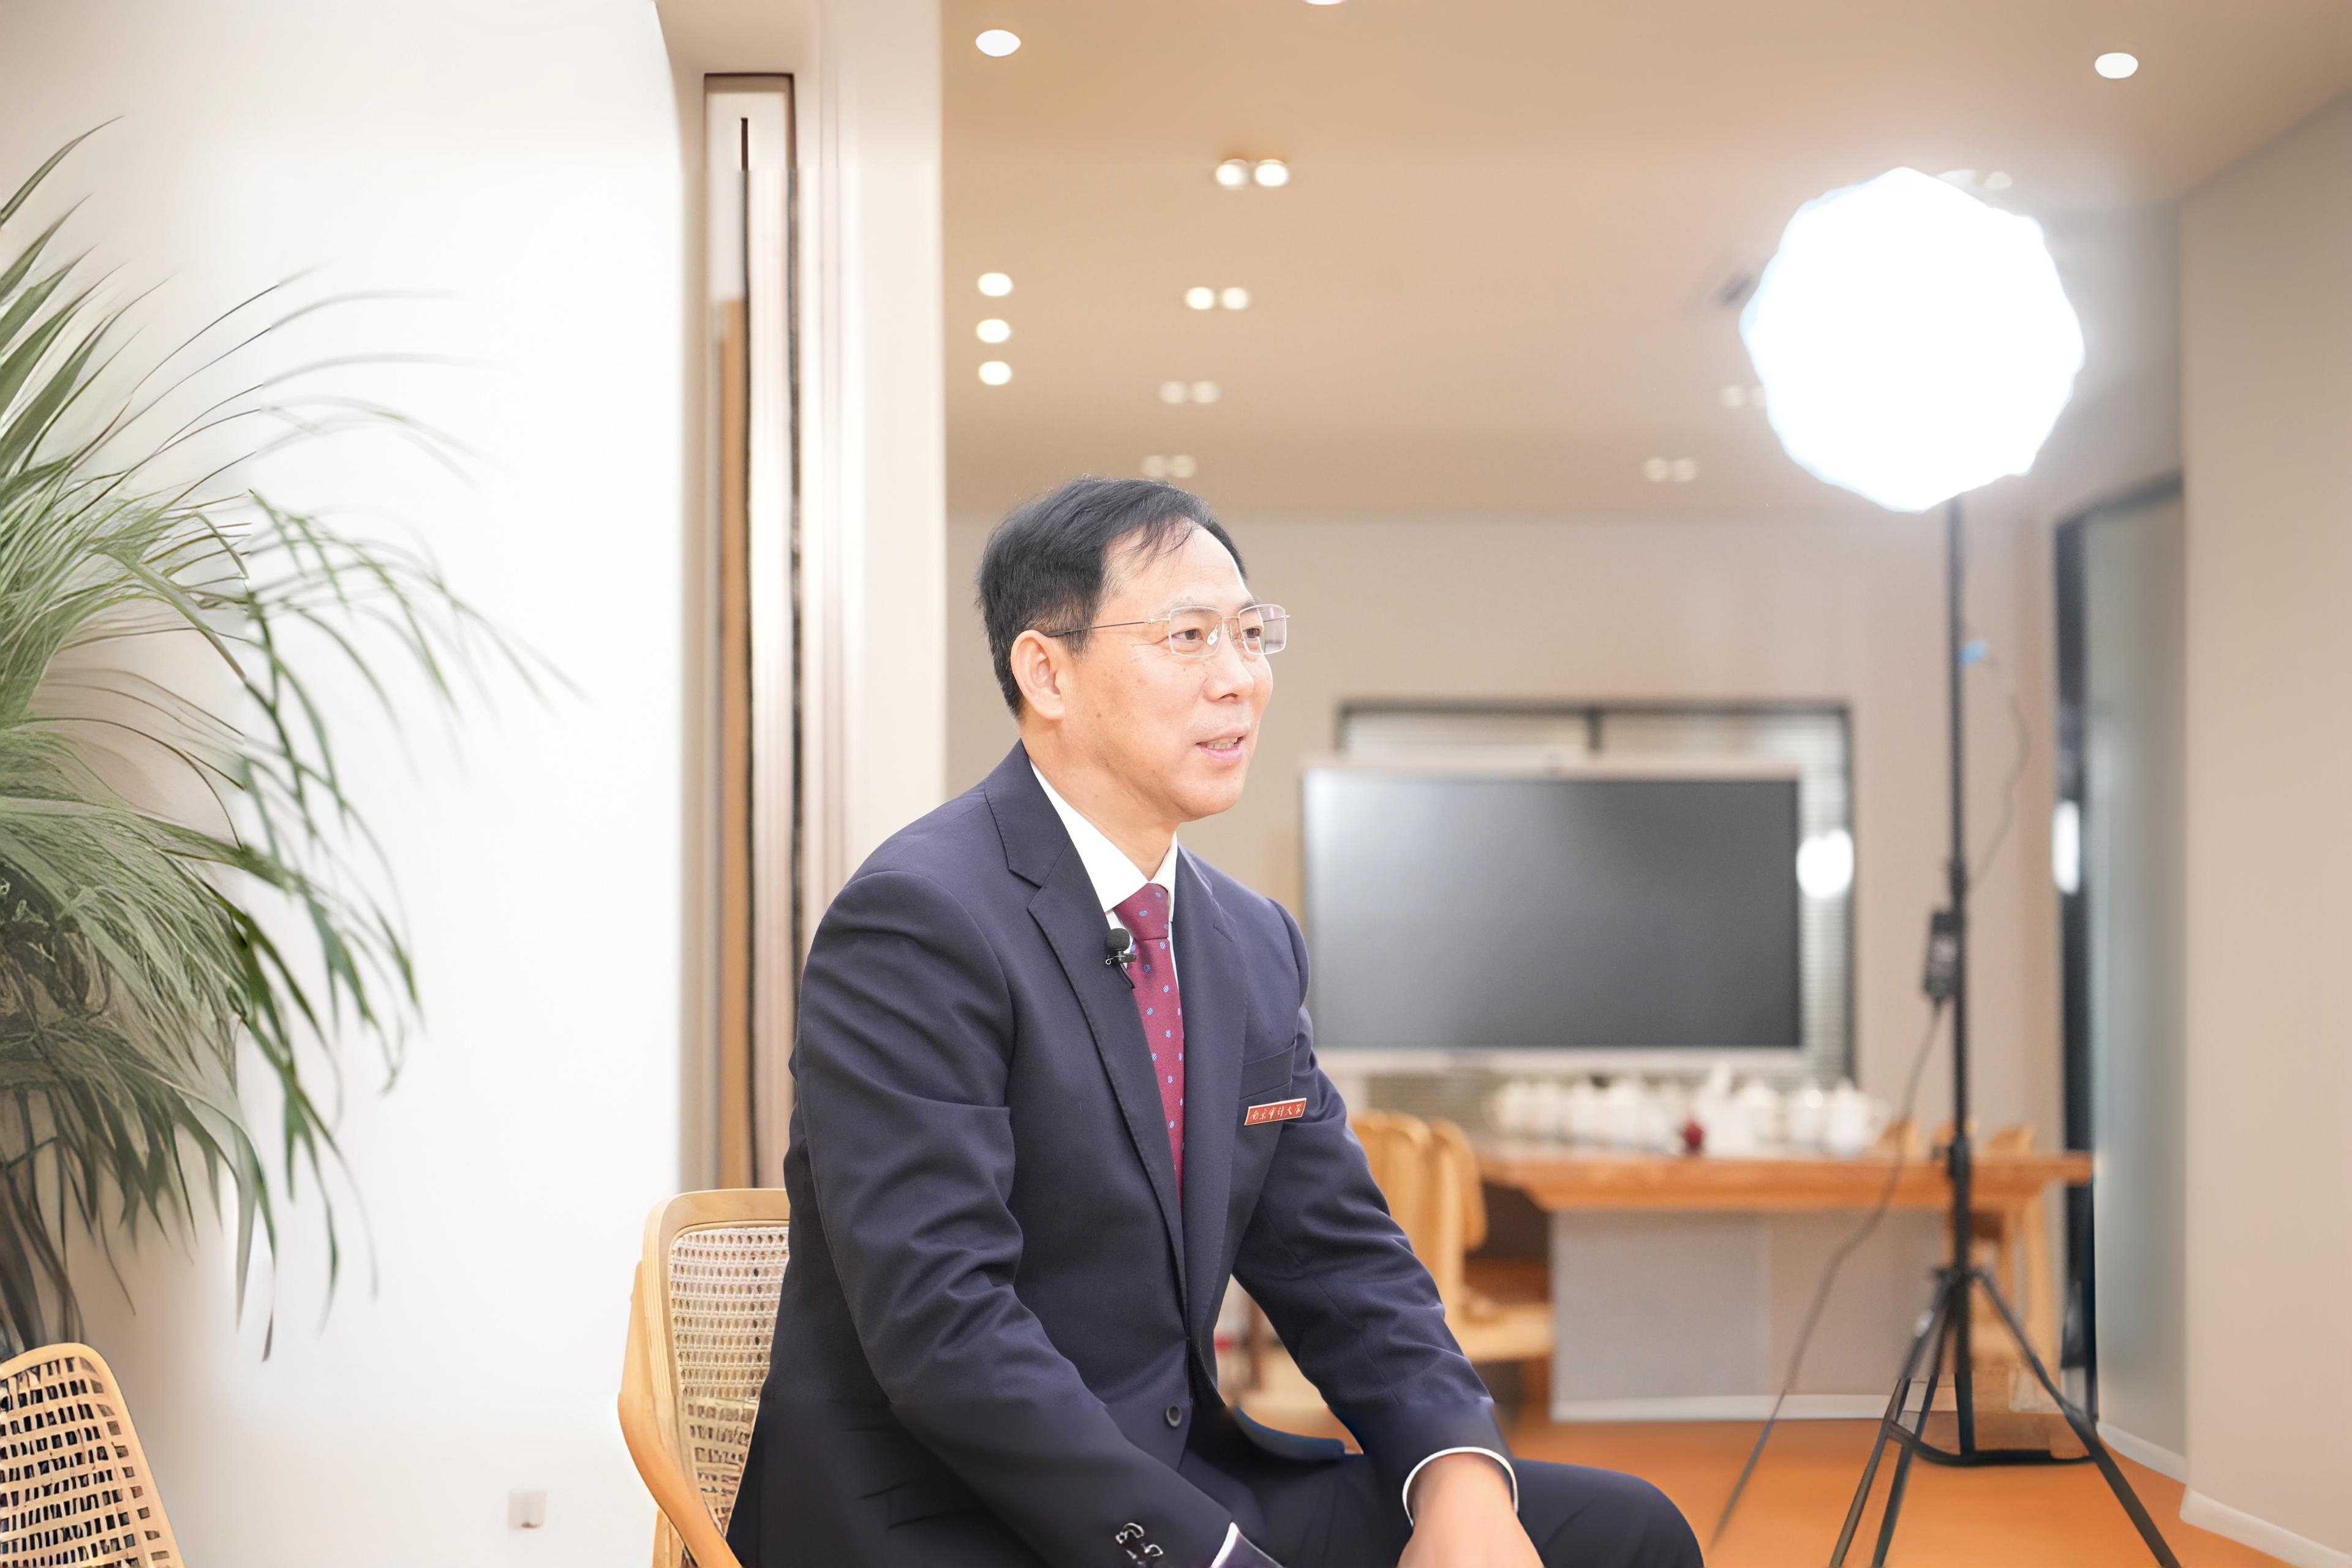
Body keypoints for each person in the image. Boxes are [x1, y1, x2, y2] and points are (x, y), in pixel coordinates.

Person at [728, 477, 1703, 1568]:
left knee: (1620, 1534)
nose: (1239, 678)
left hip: (1186, 1473)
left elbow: (1339, 1258)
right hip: (952, 1513)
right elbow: (944, 1328)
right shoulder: (920, 919)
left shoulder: (1247, 940)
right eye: (1187, 636)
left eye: (1249, 633)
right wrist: (1212, 1558)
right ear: (1046, 672)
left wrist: (1459, 1478)